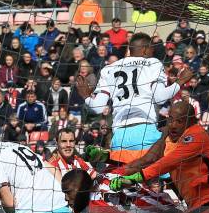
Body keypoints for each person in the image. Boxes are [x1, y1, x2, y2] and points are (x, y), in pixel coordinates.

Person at [80, 32, 193, 164]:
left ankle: (105, 157)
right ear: (145, 49)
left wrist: (86, 96)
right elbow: (160, 98)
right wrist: (181, 81)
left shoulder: (109, 68)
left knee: (125, 178)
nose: (154, 52)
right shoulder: (152, 63)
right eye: (152, 48)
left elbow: (98, 108)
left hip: (119, 136)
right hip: (145, 131)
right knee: (169, 173)